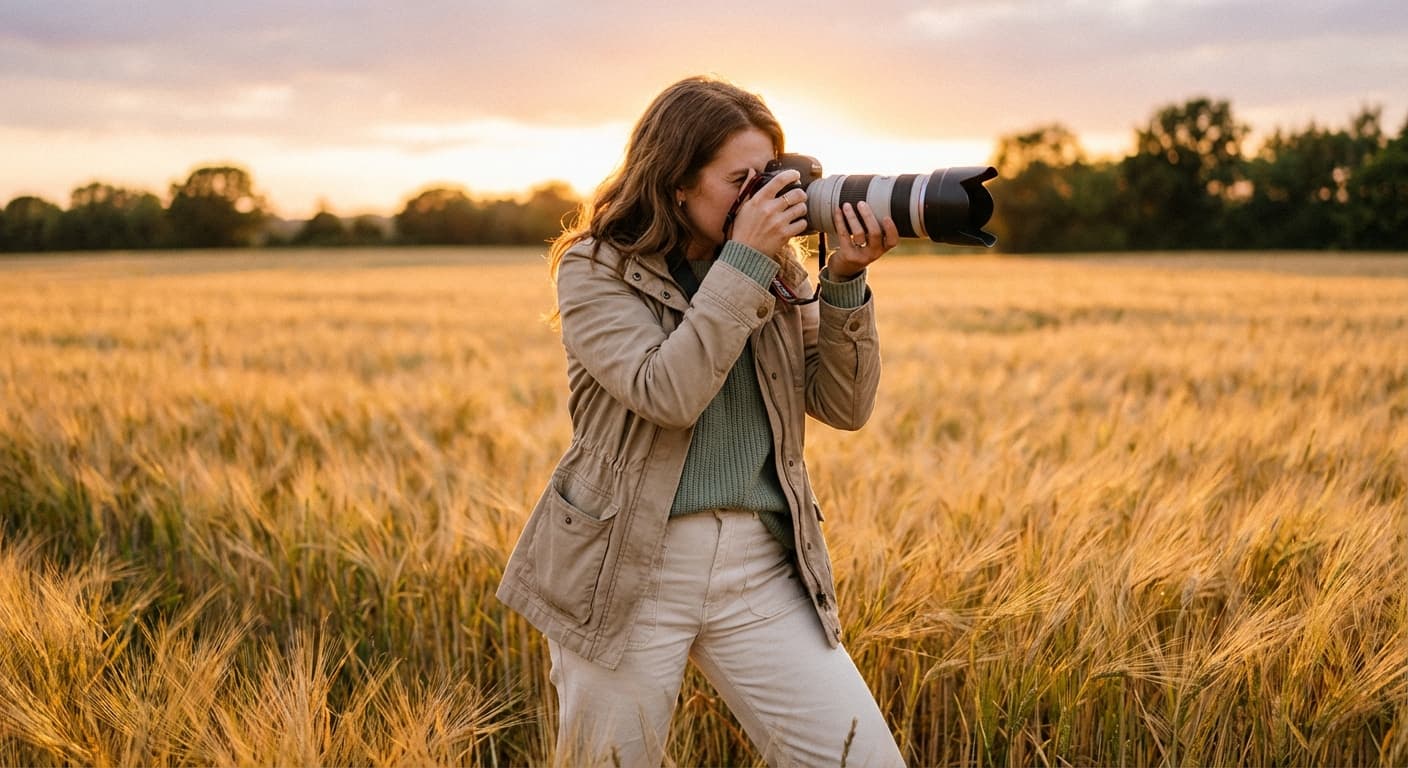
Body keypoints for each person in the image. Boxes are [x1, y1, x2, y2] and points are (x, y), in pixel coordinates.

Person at [496, 75, 905, 767]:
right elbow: (667, 392)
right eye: (739, 180)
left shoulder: (777, 271)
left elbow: (844, 406)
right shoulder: (596, 269)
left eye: (768, 177)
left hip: (760, 564)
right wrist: (746, 259)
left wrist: (842, 278)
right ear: (677, 181)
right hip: (625, 565)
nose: (760, 198)